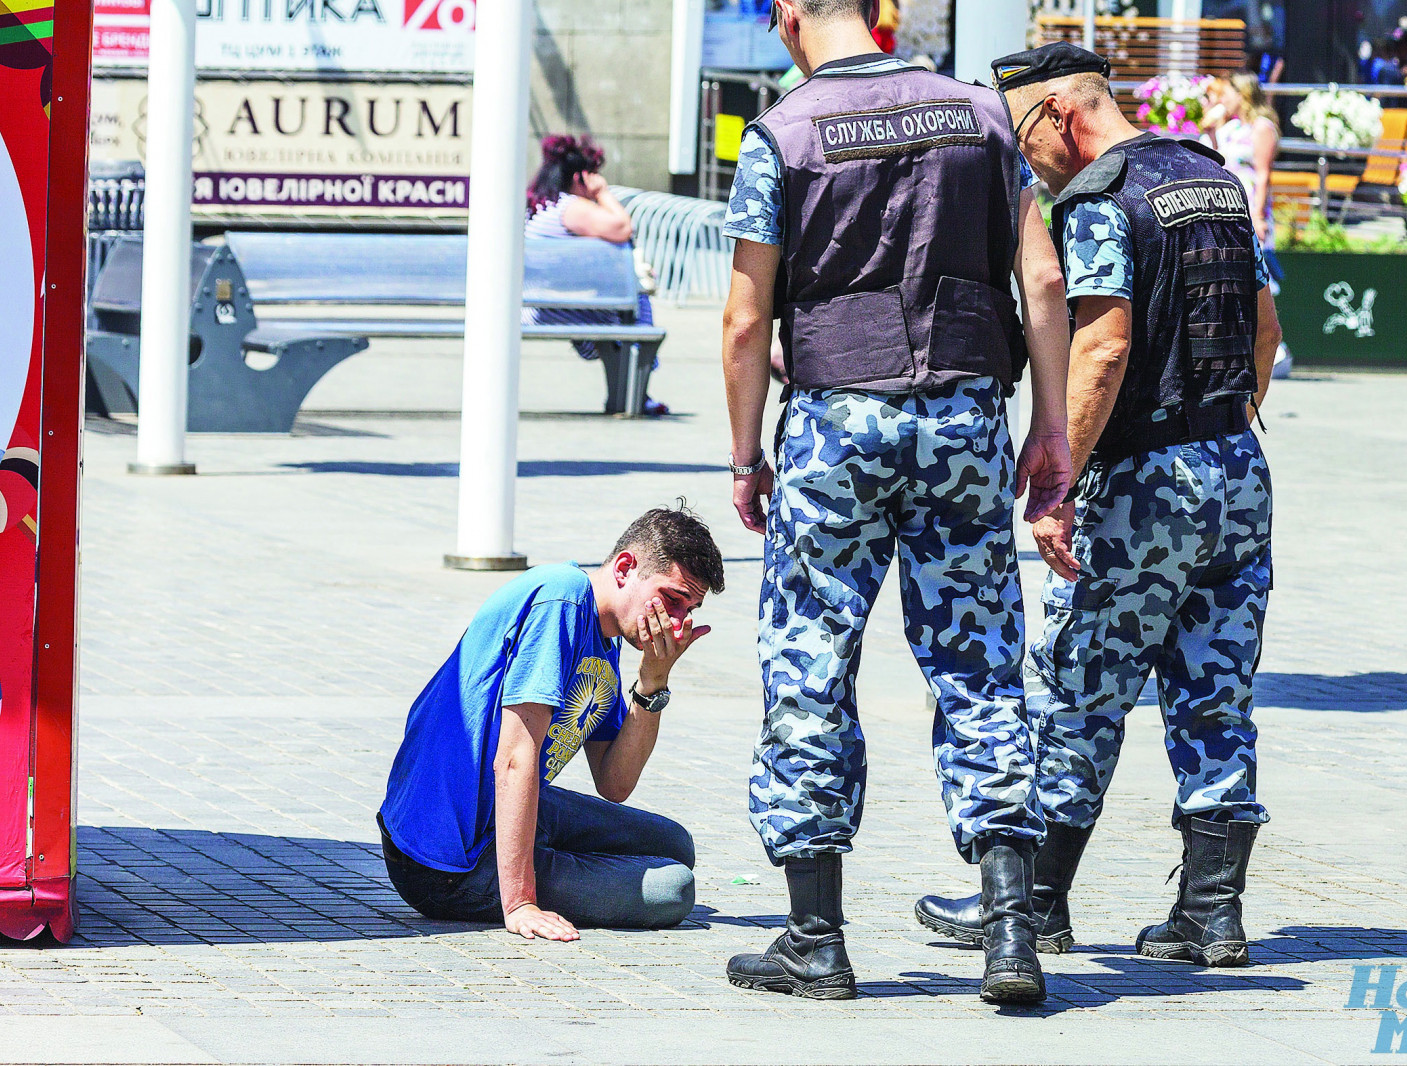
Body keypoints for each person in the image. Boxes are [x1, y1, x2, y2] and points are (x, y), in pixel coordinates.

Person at [720, 0, 1073, 1005]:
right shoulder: (978, 114)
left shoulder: (783, 133)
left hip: (836, 422)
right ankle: (1011, 931)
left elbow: (748, 320)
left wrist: (744, 455)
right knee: (980, 667)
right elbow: (1042, 282)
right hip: (964, 415)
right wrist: (1049, 429)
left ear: (790, 16)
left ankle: (815, 939)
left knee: (808, 661)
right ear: (882, 15)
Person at [914, 42, 1283, 969]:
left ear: (1058, 118)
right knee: (1218, 688)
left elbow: (1103, 347)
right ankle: (1213, 913)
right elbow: (1267, 328)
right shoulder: (1212, 179)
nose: (1022, 163)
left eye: (1020, 139)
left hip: (1145, 479)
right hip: (1237, 468)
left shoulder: (1096, 200)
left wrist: (1057, 480)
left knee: (1078, 688)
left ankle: (1036, 905)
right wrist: (1226, 420)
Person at [378, 507, 725, 940]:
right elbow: (514, 759)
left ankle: (548, 860)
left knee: (674, 844)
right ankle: (527, 872)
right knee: (672, 889)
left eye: (689, 608)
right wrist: (522, 902)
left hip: (506, 810)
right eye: (672, 599)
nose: (677, 622)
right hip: (446, 859)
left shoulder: (607, 637)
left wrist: (652, 684)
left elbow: (614, 782)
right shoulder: (559, 600)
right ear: (625, 569)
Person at [524, 135, 668, 417]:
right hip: (545, 308)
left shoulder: (543, 204)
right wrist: (603, 193)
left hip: (538, 301)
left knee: (619, 312)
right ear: (580, 176)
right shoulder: (569, 207)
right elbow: (622, 227)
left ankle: (629, 393)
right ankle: (633, 394)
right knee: (630, 310)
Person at [1207, 73, 1292, 377]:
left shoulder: (1261, 127)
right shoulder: (1231, 128)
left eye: (1228, 92)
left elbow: (1263, 173)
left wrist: (1258, 217)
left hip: (1249, 211)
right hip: (1226, 211)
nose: (1223, 98)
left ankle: (1274, 349)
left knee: (1258, 277)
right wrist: (1211, 132)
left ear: (1242, 94)